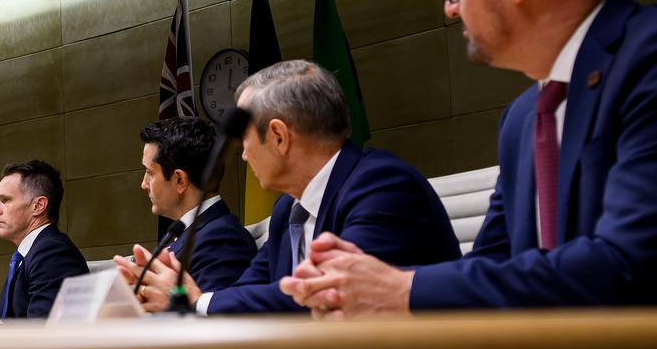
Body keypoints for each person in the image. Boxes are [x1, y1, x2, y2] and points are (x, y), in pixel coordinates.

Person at [282, 0, 657, 319]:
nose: (450, 7)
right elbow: (491, 267)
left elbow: (630, 264)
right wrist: (362, 287)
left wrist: (404, 289)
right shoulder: (522, 119)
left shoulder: (646, 60)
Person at [133, 61, 459, 314]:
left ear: (279, 136)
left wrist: (197, 300)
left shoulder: (381, 186)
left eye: (245, 140)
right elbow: (248, 290)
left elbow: (325, 294)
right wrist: (182, 295)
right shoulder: (287, 210)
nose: (243, 155)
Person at [113, 117, 257, 304]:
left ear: (179, 180)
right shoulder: (188, 233)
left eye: (149, 172)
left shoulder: (223, 239)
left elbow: (214, 314)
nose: (144, 184)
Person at [0, 160, 88, 319]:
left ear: (38, 206)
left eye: (6, 200)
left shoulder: (52, 253)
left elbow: (41, 329)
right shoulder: (28, 255)